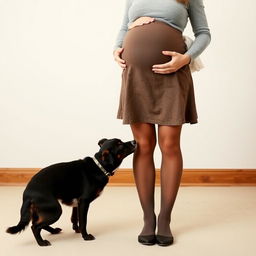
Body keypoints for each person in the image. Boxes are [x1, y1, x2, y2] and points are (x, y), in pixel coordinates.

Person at [112, 0, 211, 246]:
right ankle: (148, 218)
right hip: (136, 76)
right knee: (143, 145)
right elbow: (125, 26)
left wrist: (186, 59)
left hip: (172, 73)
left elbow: (204, 34)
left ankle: (165, 219)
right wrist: (117, 47)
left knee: (169, 146)